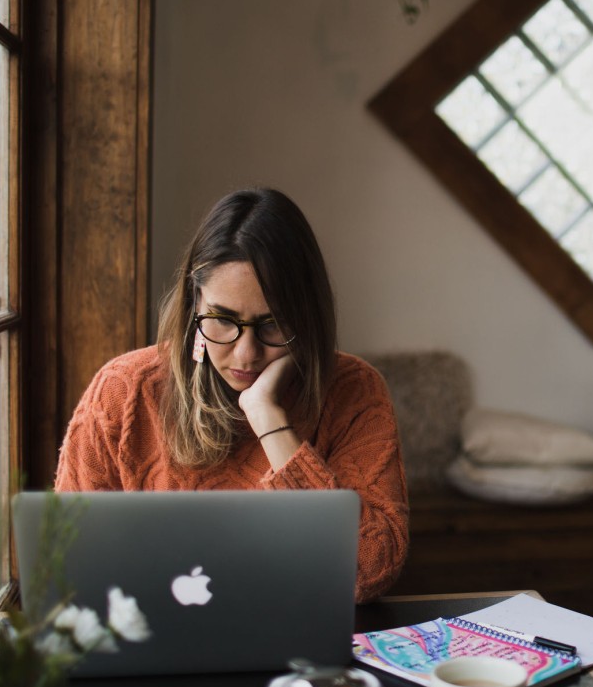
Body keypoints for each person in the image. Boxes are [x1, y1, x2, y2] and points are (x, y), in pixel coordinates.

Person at [54, 188, 408, 603]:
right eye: (222, 320)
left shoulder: (354, 391)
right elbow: (67, 564)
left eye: (272, 324)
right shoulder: (124, 392)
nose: (246, 353)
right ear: (193, 307)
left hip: (297, 650)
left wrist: (268, 418)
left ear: (306, 317)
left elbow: (368, 573)